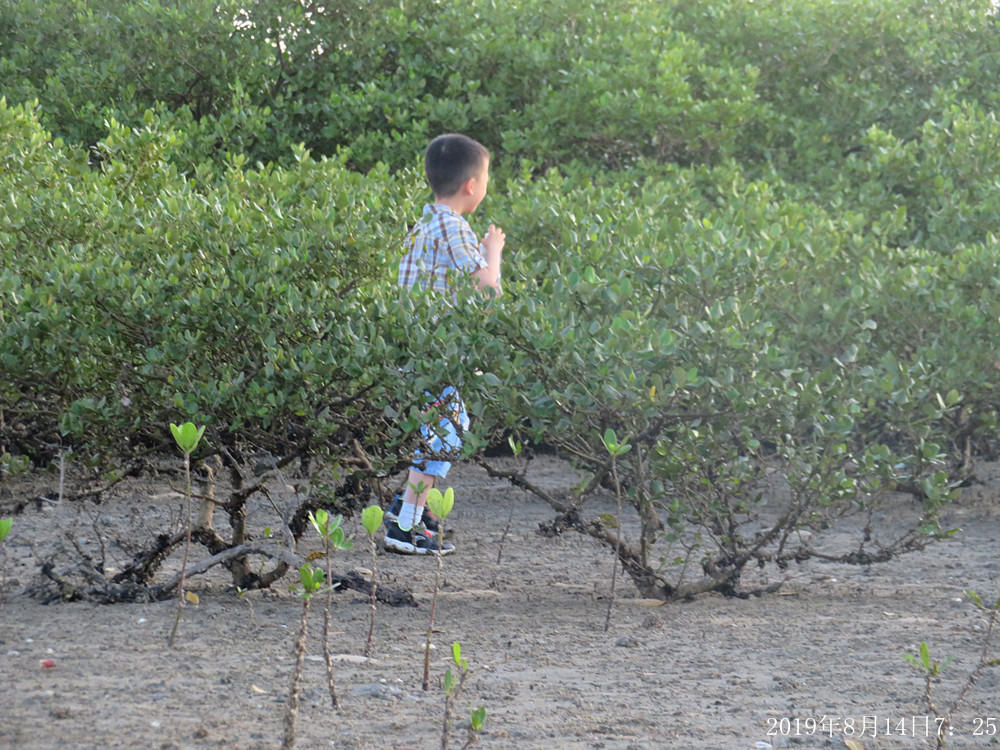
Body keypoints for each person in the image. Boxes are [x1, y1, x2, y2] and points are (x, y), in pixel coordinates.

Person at [384, 133, 506, 555]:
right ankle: (406, 524)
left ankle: (412, 512)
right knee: (444, 434)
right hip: (436, 354)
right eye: (487, 177)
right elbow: (486, 291)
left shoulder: (423, 224)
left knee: (443, 432)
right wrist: (494, 252)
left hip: (416, 350)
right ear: (471, 185)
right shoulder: (453, 226)